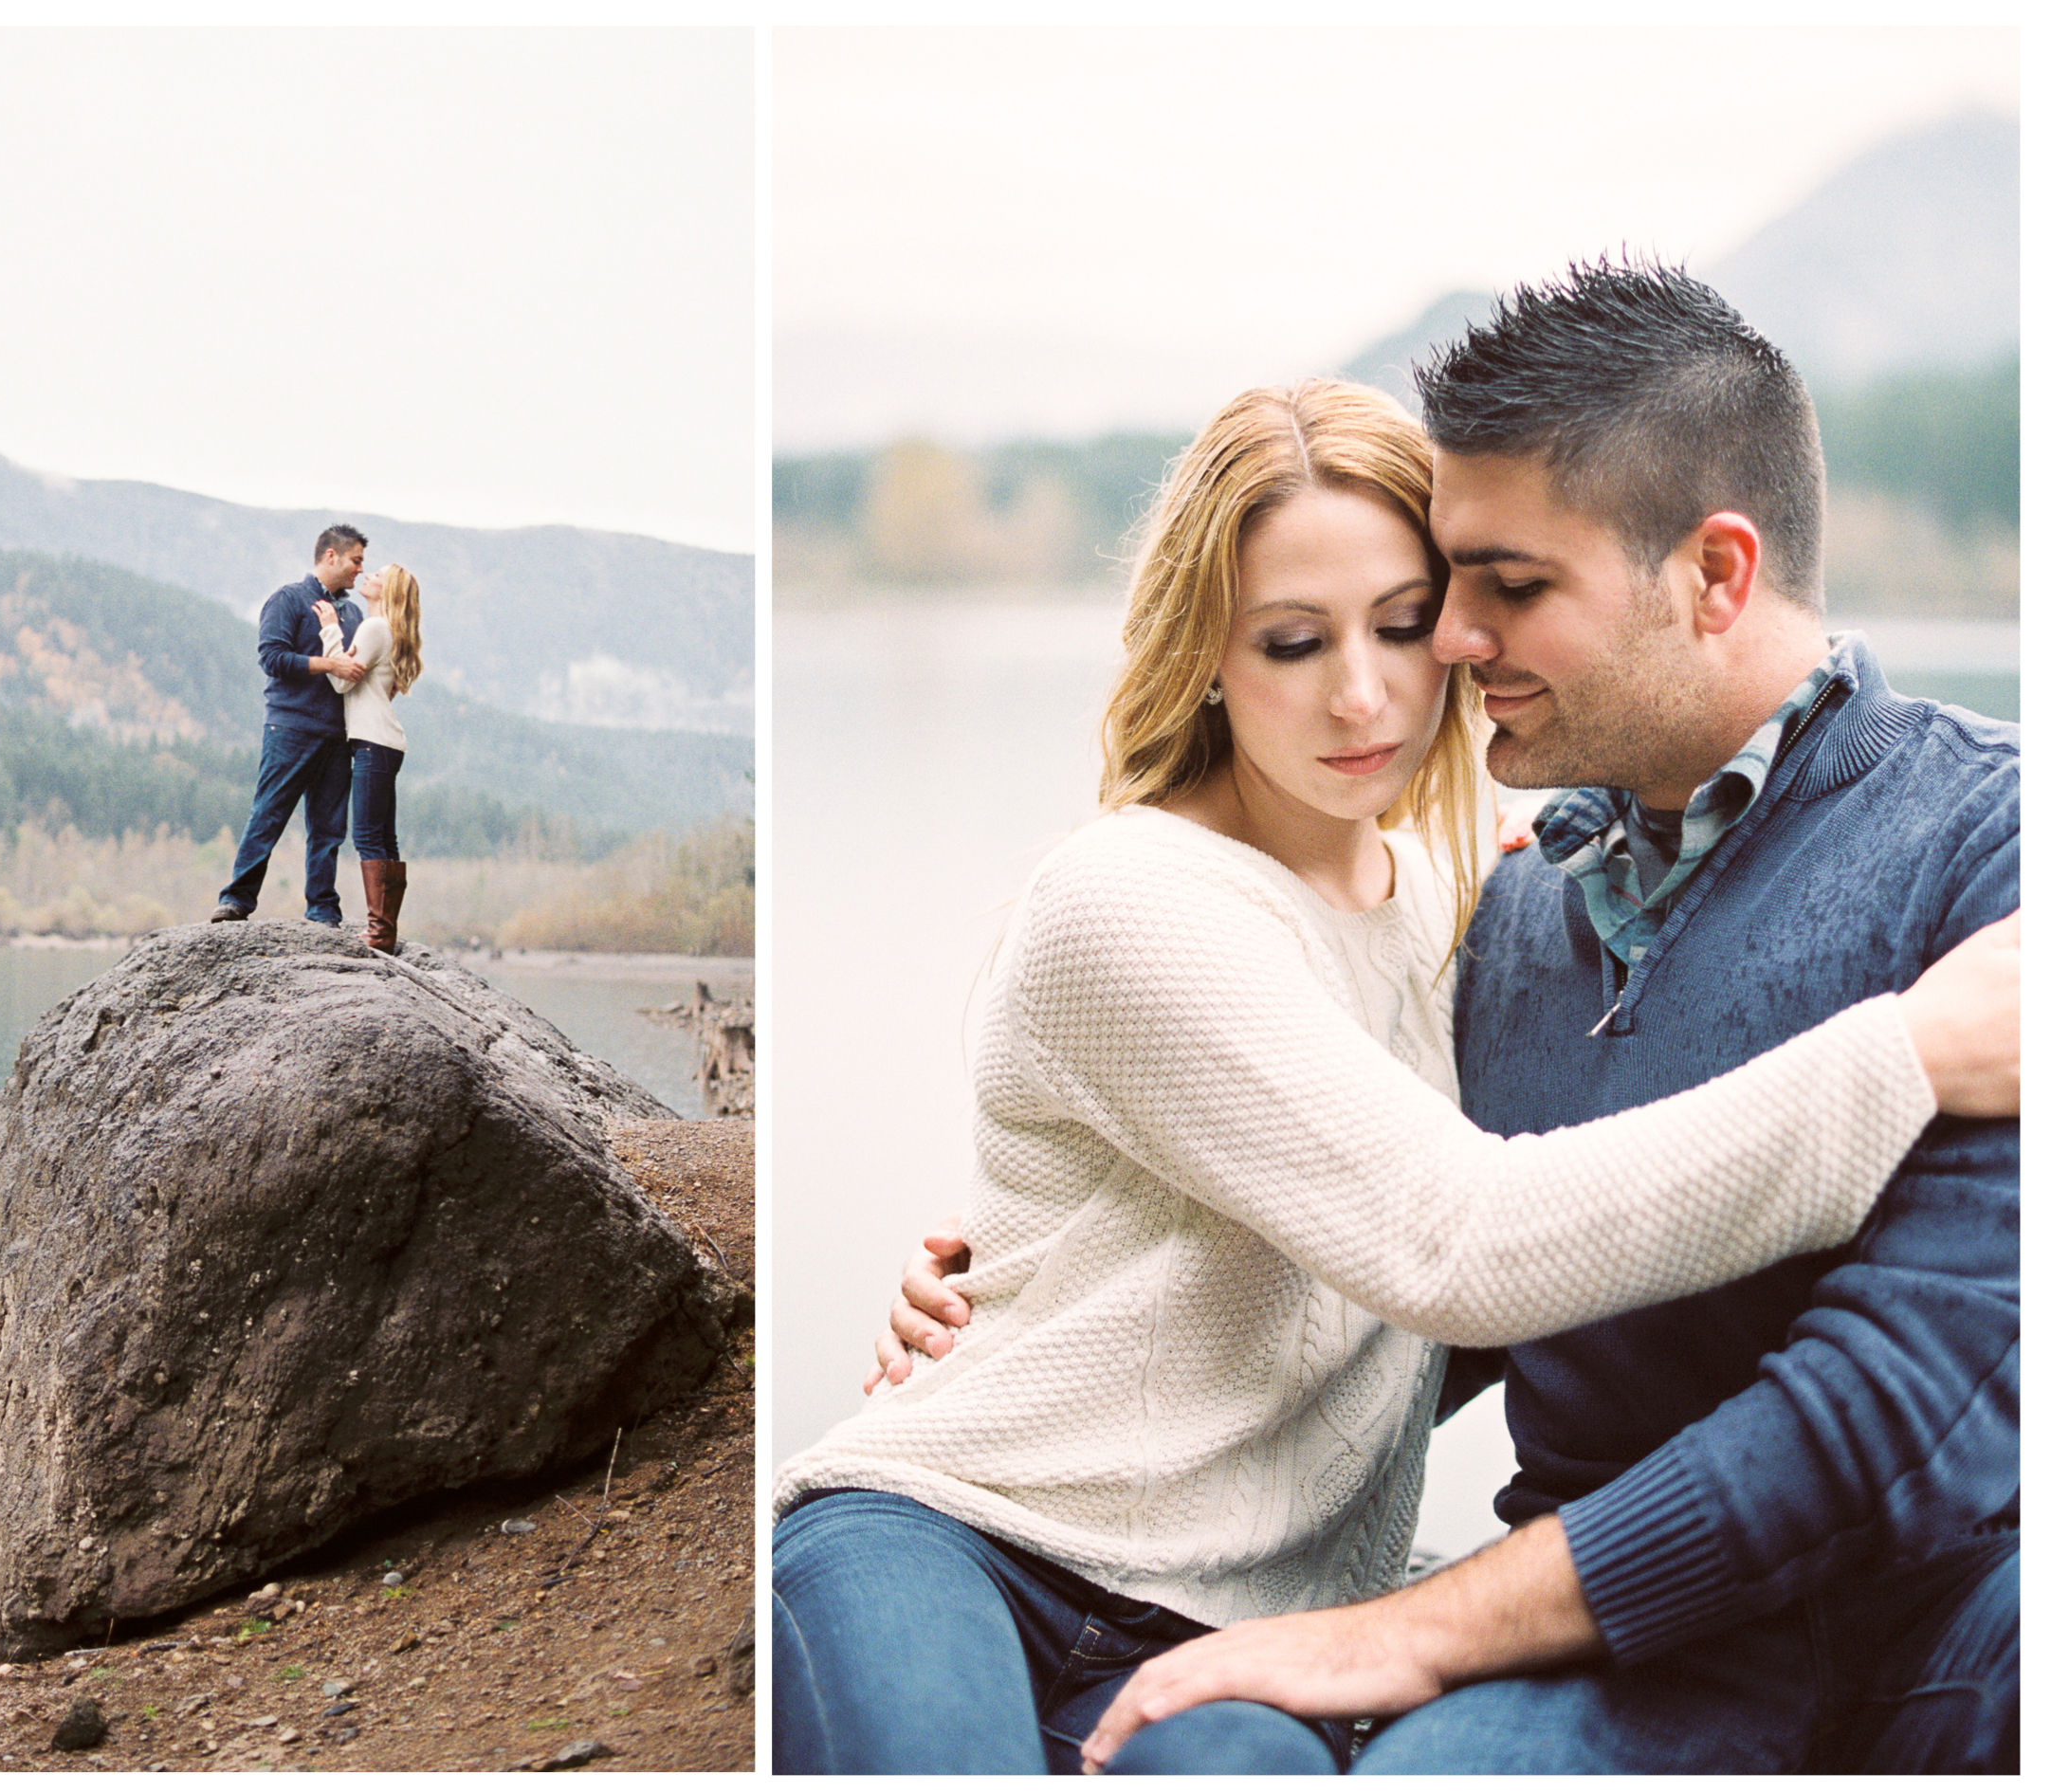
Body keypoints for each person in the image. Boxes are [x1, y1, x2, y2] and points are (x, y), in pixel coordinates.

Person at [769, 375, 2021, 1776]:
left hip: (1241, 1618)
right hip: (964, 1536)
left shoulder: (1477, 913)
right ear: (1204, 655)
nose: (1361, 693)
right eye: (1293, 641)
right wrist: (1908, 1054)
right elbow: (1454, 1235)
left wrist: (1044, 1264)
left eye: (1407, 625)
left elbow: (1436, 1249)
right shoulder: (1126, 902)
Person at [211, 525, 372, 926]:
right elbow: (272, 658)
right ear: (331, 556)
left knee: (329, 828)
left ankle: (323, 910)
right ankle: (236, 901)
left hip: (337, 735)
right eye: (356, 561)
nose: (360, 570)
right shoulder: (288, 599)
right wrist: (329, 663)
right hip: (291, 728)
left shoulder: (352, 613)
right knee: (269, 814)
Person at [316, 561, 424, 952]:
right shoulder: (389, 631)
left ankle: (379, 933)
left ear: (388, 590)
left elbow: (342, 679)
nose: (369, 576)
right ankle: (385, 930)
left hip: (371, 743)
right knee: (384, 838)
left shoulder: (375, 628)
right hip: (386, 744)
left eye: (378, 575)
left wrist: (329, 628)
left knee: (366, 836)